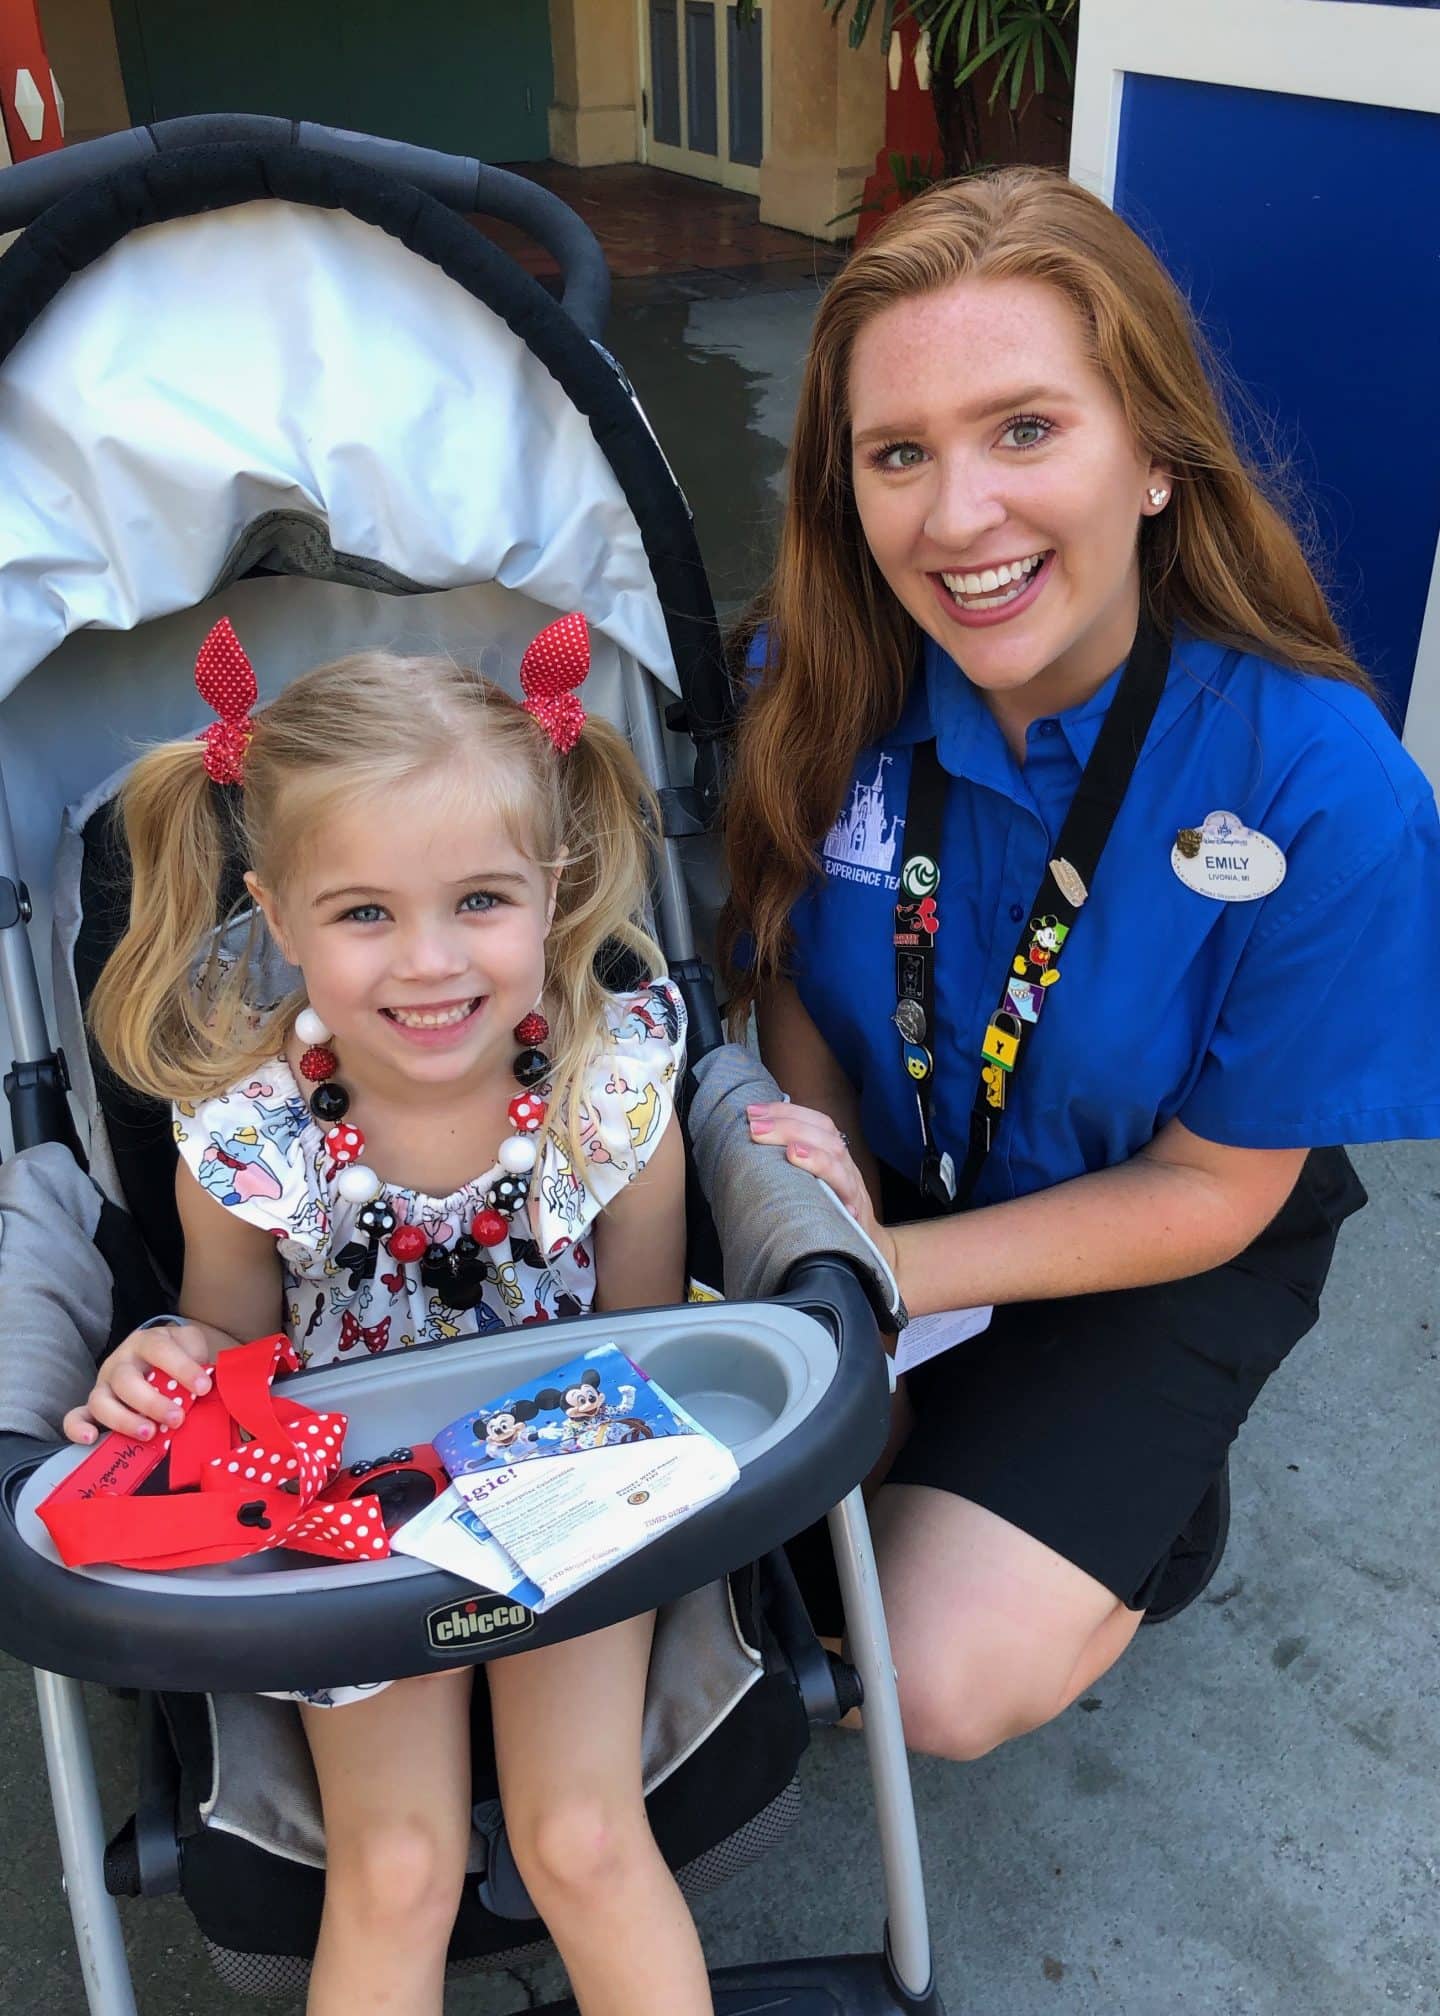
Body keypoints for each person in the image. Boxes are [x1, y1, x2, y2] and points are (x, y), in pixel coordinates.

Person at [721, 168, 1440, 1766]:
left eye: (1025, 429)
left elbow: (1215, 1192)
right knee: (754, 1566)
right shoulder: (812, 676)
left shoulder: (1327, 789)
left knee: (926, 1678)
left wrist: (876, 1292)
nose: (957, 515)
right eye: (899, 453)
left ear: (1160, 458)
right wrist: (823, 1202)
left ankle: (1150, 1509)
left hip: (1165, 1223)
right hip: (891, 1181)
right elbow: (791, 968)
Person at [63, 615, 711, 2016]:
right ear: (278, 917)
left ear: (550, 892)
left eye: (479, 901)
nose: (428, 964)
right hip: (346, 1499)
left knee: (585, 1837)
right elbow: (236, 1359)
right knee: (398, 1866)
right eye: (364, 914)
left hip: (570, 1461)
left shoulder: (610, 1102)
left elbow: (651, 1346)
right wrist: (165, 1363)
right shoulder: (256, 1139)